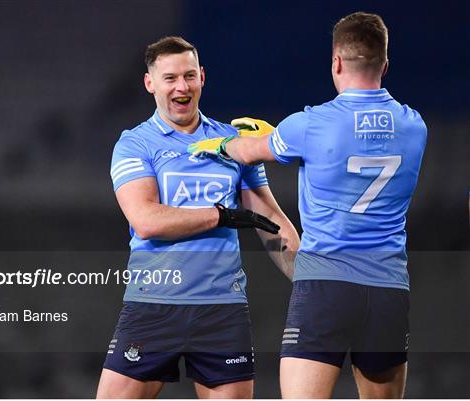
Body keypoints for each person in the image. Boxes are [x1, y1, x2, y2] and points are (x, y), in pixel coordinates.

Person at [189, 12, 427, 398]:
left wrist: (221, 144)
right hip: (387, 289)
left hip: (325, 287)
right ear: (384, 64)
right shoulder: (415, 125)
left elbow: (248, 151)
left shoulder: (311, 124)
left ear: (335, 62)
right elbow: (362, 143)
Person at [96, 36, 300, 399]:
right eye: (170, 78)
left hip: (222, 310)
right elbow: (147, 220)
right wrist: (220, 216)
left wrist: (312, 282)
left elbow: (269, 219)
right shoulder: (135, 144)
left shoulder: (232, 141)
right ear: (150, 84)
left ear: (202, 77)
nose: (181, 86)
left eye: (189, 76)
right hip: (154, 305)